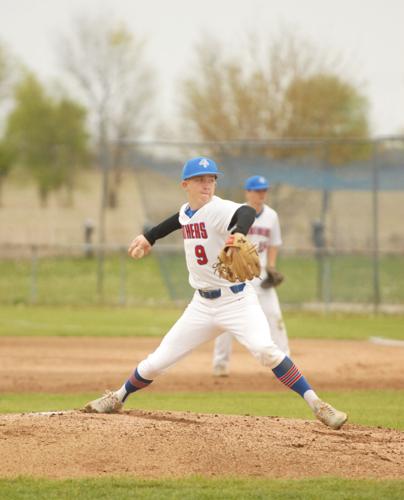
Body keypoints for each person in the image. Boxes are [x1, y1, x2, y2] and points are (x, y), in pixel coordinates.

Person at [84, 157, 347, 430]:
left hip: (237, 301)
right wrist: (150, 237)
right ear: (185, 184)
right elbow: (179, 220)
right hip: (201, 306)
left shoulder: (219, 208)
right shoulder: (188, 210)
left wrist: (238, 234)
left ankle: (318, 405)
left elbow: (246, 212)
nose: (207, 184)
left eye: (211, 179)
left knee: (266, 351)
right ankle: (117, 397)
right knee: (155, 363)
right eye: (200, 179)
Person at [212, 175, 289, 377]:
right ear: (248, 192)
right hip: (237, 275)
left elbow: (274, 243)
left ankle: (286, 361)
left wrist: (271, 266)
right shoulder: (235, 213)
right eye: (257, 190)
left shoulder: (271, 215)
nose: (261, 194)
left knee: (274, 316)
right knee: (227, 321)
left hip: (261, 275)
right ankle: (220, 364)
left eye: (264, 190)